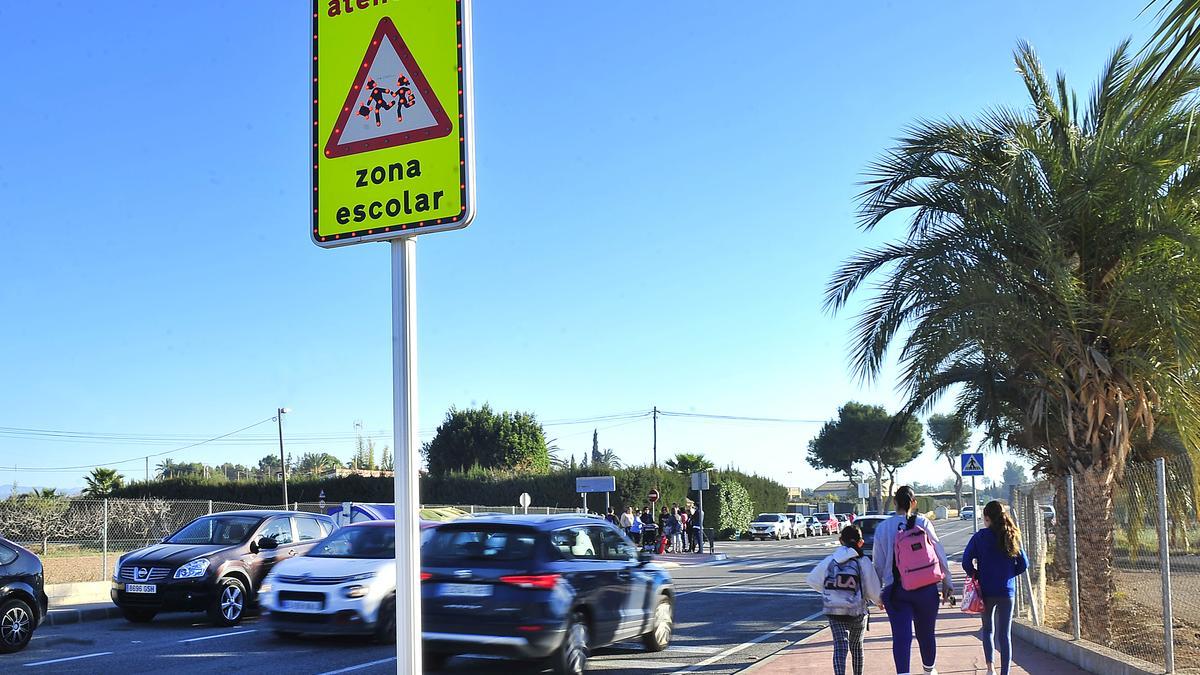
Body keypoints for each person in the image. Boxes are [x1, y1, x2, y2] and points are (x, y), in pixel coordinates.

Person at [872, 485, 953, 675]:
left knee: (901, 637)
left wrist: (877, 594)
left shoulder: (883, 528)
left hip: (896, 591)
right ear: (914, 503)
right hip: (926, 588)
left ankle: (903, 673)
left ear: (894, 502)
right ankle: (929, 670)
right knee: (926, 634)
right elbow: (938, 552)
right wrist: (946, 580)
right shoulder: (923, 523)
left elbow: (878, 564)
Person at [963, 501, 1028, 675]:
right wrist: (1008, 574)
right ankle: (1004, 672)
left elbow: (965, 561)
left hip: (986, 590)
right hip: (1007, 591)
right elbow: (1024, 564)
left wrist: (976, 574)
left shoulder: (980, 537)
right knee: (1005, 634)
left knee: (988, 629)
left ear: (987, 518)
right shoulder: (1011, 535)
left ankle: (990, 668)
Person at [807, 526, 882, 675]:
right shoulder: (863, 561)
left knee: (840, 646)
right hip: (857, 611)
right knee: (856, 646)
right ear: (861, 542)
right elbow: (872, 587)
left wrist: (831, 592)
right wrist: (879, 601)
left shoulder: (830, 560)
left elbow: (812, 580)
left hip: (834, 610)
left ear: (840, 541)